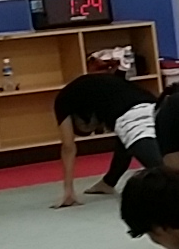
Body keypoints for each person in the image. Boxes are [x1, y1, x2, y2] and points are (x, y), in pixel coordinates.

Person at [51, 72, 159, 209]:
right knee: (126, 139)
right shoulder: (95, 91)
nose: (95, 129)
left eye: (89, 129)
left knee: (160, 169)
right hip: (156, 105)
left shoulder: (63, 101)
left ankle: (178, 188)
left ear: (79, 119)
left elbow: (68, 147)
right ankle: (108, 182)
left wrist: (68, 190)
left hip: (135, 112)